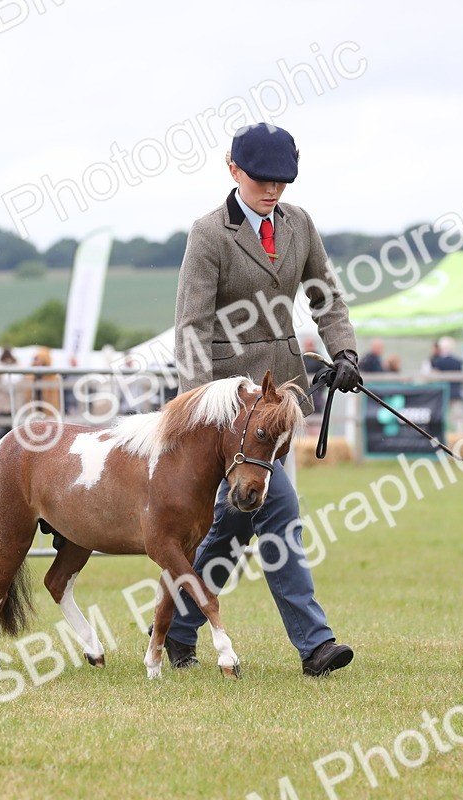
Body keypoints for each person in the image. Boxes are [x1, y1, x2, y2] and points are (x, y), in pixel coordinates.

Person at [169, 122, 359, 677]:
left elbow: (325, 295)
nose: (273, 192)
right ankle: (316, 645)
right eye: (261, 181)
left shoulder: (299, 224)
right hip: (228, 410)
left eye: (282, 182)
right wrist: (197, 409)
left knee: (230, 528)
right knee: (279, 515)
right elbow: (191, 326)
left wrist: (343, 351)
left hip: (282, 408)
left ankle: (177, 626)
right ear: (232, 170)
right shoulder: (209, 234)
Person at [430, 336, 463, 433]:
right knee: (458, 419)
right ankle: (459, 435)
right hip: (456, 392)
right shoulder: (458, 362)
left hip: (443, 394)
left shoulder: (438, 362)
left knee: (443, 417)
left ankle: (445, 435)